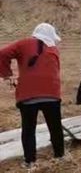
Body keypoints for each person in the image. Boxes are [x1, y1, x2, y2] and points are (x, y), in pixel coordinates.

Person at [0, 23, 65, 169]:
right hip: (52, 95)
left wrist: (7, 76)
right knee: (55, 127)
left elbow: (2, 54)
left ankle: (30, 161)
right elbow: (55, 72)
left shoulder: (24, 43)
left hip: (28, 96)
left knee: (29, 129)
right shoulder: (53, 48)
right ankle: (60, 156)